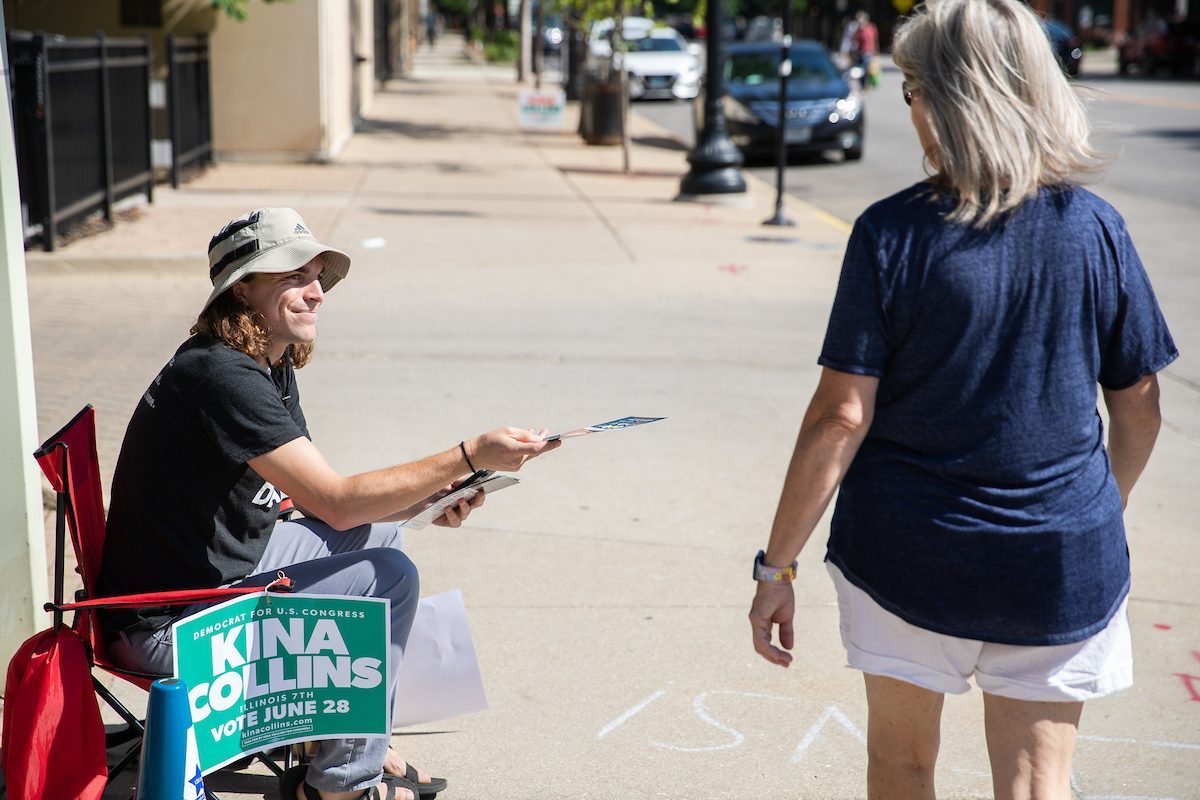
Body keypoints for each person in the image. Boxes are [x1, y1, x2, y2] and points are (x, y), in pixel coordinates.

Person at [747, 0, 1177, 798]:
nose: (909, 107)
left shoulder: (891, 235)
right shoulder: (1095, 229)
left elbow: (842, 414)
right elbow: (1141, 406)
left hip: (907, 556)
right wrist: (1096, 505)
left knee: (903, 766)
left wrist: (776, 568)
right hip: (1059, 559)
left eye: (912, 89)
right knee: (1037, 781)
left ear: (950, 99)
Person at [97, 207, 560, 800]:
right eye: (294, 276)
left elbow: (312, 497)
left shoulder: (267, 361)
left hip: (220, 576)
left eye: (319, 276)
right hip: (167, 625)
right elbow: (336, 503)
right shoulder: (220, 376)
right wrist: (469, 455)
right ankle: (343, 784)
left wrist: (434, 495)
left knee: (383, 541)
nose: (316, 292)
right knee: (385, 576)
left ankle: (352, 736)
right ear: (242, 287)